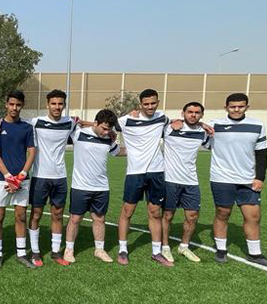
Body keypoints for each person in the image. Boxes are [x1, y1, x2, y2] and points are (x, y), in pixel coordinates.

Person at [208, 93, 267, 268]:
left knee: (253, 216)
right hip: (221, 178)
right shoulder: (214, 125)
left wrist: (260, 177)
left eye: (240, 106)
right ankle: (221, 250)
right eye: (232, 106)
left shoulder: (258, 125)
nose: (236, 109)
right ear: (226, 107)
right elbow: (191, 124)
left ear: (247, 107)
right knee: (223, 213)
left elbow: (262, 154)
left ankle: (255, 254)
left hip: (248, 180)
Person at [116, 89, 170, 266]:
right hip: (135, 173)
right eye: (146, 104)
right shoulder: (127, 120)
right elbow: (103, 124)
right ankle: (123, 249)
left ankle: (156, 252)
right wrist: (77, 122)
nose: (150, 107)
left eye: (153, 103)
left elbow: (182, 122)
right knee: (127, 211)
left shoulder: (162, 118)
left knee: (155, 212)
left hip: (157, 172)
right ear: (140, 104)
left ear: (158, 102)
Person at [64, 109, 124, 264]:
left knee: (99, 219)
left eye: (108, 129)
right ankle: (69, 249)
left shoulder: (108, 139)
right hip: (80, 186)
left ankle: (99, 249)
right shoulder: (78, 134)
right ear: (96, 123)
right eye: (103, 128)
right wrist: (88, 123)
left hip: (102, 187)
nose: (105, 132)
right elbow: (70, 119)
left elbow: (117, 153)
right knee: (75, 218)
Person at [25, 89, 78, 266]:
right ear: (47, 105)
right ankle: (35, 251)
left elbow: (87, 125)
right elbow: (14, 122)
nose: (57, 107)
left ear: (64, 105)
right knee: (36, 214)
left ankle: (55, 252)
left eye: (60, 103)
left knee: (57, 214)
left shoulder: (69, 122)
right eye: (53, 103)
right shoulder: (36, 122)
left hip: (60, 177)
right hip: (40, 176)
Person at [161, 102, 214, 263]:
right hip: (169, 179)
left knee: (192, 216)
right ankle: (165, 247)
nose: (193, 115)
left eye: (197, 113)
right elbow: (154, 121)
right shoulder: (169, 128)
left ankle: (184, 246)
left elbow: (212, 146)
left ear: (201, 115)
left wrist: (206, 129)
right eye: (190, 112)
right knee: (168, 215)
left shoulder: (202, 132)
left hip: (191, 180)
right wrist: (173, 121)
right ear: (183, 112)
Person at [0, 90, 37, 269]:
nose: (14, 108)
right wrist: (9, 177)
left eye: (18, 105)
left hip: (22, 179)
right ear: (6, 105)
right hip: (2, 179)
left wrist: (21, 176)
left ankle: (21, 253)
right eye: (11, 104)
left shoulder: (27, 127)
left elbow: (32, 152)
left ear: (22, 106)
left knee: (20, 216)